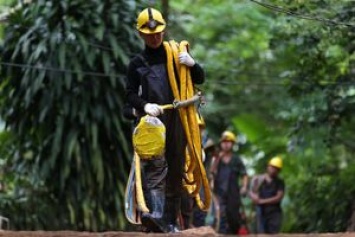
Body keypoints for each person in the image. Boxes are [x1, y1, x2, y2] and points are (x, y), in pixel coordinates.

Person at [125, 7, 205, 233]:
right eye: (149, 34)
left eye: (158, 33)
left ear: (163, 30)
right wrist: (144, 106)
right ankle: (157, 216)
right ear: (140, 34)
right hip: (153, 124)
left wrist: (193, 64)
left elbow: (200, 79)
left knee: (176, 167)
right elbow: (129, 94)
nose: (154, 37)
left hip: (178, 119)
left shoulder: (176, 56)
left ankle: (169, 221)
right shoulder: (136, 63)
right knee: (155, 168)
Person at [210, 131, 248, 234]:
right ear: (221, 144)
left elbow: (244, 174)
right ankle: (221, 233)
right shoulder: (216, 158)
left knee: (234, 217)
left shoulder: (237, 159)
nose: (226, 144)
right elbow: (212, 172)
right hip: (219, 193)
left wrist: (244, 187)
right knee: (220, 215)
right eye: (224, 142)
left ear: (232, 144)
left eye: (229, 142)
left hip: (233, 193)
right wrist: (218, 158)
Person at [249, 156, 285, 234]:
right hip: (260, 212)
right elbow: (251, 192)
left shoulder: (279, 182)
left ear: (279, 170)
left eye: (276, 168)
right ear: (268, 167)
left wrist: (262, 201)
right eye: (272, 167)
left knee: (273, 233)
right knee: (261, 233)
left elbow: (279, 197)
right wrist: (254, 197)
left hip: (274, 213)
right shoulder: (258, 179)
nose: (273, 170)